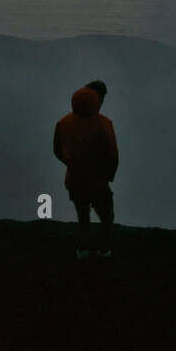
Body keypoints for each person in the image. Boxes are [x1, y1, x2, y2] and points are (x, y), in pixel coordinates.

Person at [53, 81, 118, 259]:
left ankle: (83, 250)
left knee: (83, 216)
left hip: (74, 179)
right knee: (106, 217)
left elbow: (57, 151)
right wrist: (108, 175)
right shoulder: (104, 124)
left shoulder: (63, 122)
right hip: (97, 181)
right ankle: (104, 250)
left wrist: (71, 164)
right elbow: (112, 155)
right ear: (99, 98)